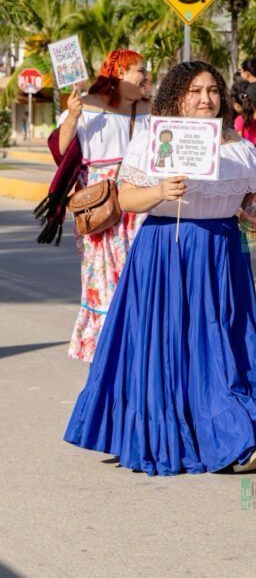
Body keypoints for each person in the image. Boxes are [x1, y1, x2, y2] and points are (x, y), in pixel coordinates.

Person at [64, 61, 256, 476]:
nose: (206, 98)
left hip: (220, 253)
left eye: (213, 90)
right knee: (168, 348)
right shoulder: (152, 138)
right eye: (195, 91)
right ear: (177, 96)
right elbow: (125, 200)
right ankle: (207, 435)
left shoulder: (239, 146)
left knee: (220, 344)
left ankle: (239, 432)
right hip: (166, 250)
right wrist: (160, 191)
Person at [53, 49, 150, 362]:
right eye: (140, 71)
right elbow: (61, 149)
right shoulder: (89, 107)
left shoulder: (149, 110)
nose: (145, 77)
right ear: (120, 72)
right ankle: (108, 351)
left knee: (138, 279)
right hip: (100, 207)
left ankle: (136, 345)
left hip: (139, 205)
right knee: (103, 279)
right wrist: (72, 114)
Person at [231, 80, 256, 146]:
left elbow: (239, 139)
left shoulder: (239, 120)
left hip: (247, 148)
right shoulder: (255, 116)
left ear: (237, 105)